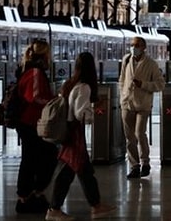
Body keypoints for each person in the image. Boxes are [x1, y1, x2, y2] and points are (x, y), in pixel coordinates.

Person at [45, 52, 117, 221]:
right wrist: (96, 110)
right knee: (71, 171)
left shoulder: (70, 83)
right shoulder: (84, 87)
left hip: (70, 133)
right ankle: (54, 209)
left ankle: (96, 205)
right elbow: (80, 113)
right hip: (75, 133)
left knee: (82, 170)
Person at [14, 39, 58, 214]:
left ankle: (31, 195)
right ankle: (28, 195)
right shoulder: (35, 72)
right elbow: (34, 97)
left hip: (30, 122)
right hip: (30, 122)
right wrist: (53, 102)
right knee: (44, 156)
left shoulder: (28, 70)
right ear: (45, 55)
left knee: (33, 158)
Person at [118, 36, 166, 179]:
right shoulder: (126, 60)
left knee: (140, 133)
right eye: (132, 45)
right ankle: (134, 166)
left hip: (143, 104)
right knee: (129, 137)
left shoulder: (151, 64)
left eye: (137, 45)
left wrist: (143, 84)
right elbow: (122, 79)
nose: (134, 47)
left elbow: (160, 84)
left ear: (144, 47)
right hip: (127, 103)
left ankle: (145, 162)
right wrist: (123, 95)